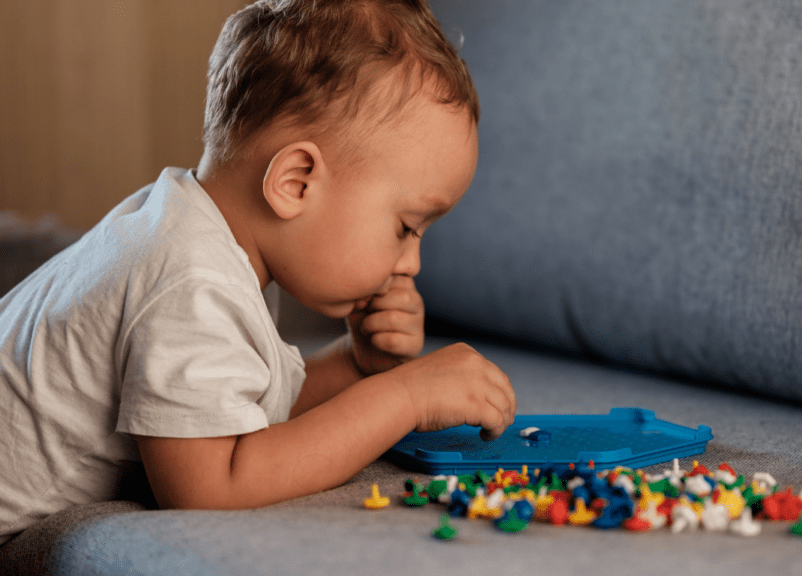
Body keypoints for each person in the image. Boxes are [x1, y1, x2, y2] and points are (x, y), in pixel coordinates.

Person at [0, 0, 516, 545]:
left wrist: (358, 364)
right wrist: (404, 398)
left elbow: (240, 411)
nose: (411, 262)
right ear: (295, 182)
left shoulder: (188, 227)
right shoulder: (189, 280)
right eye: (407, 227)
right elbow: (209, 486)